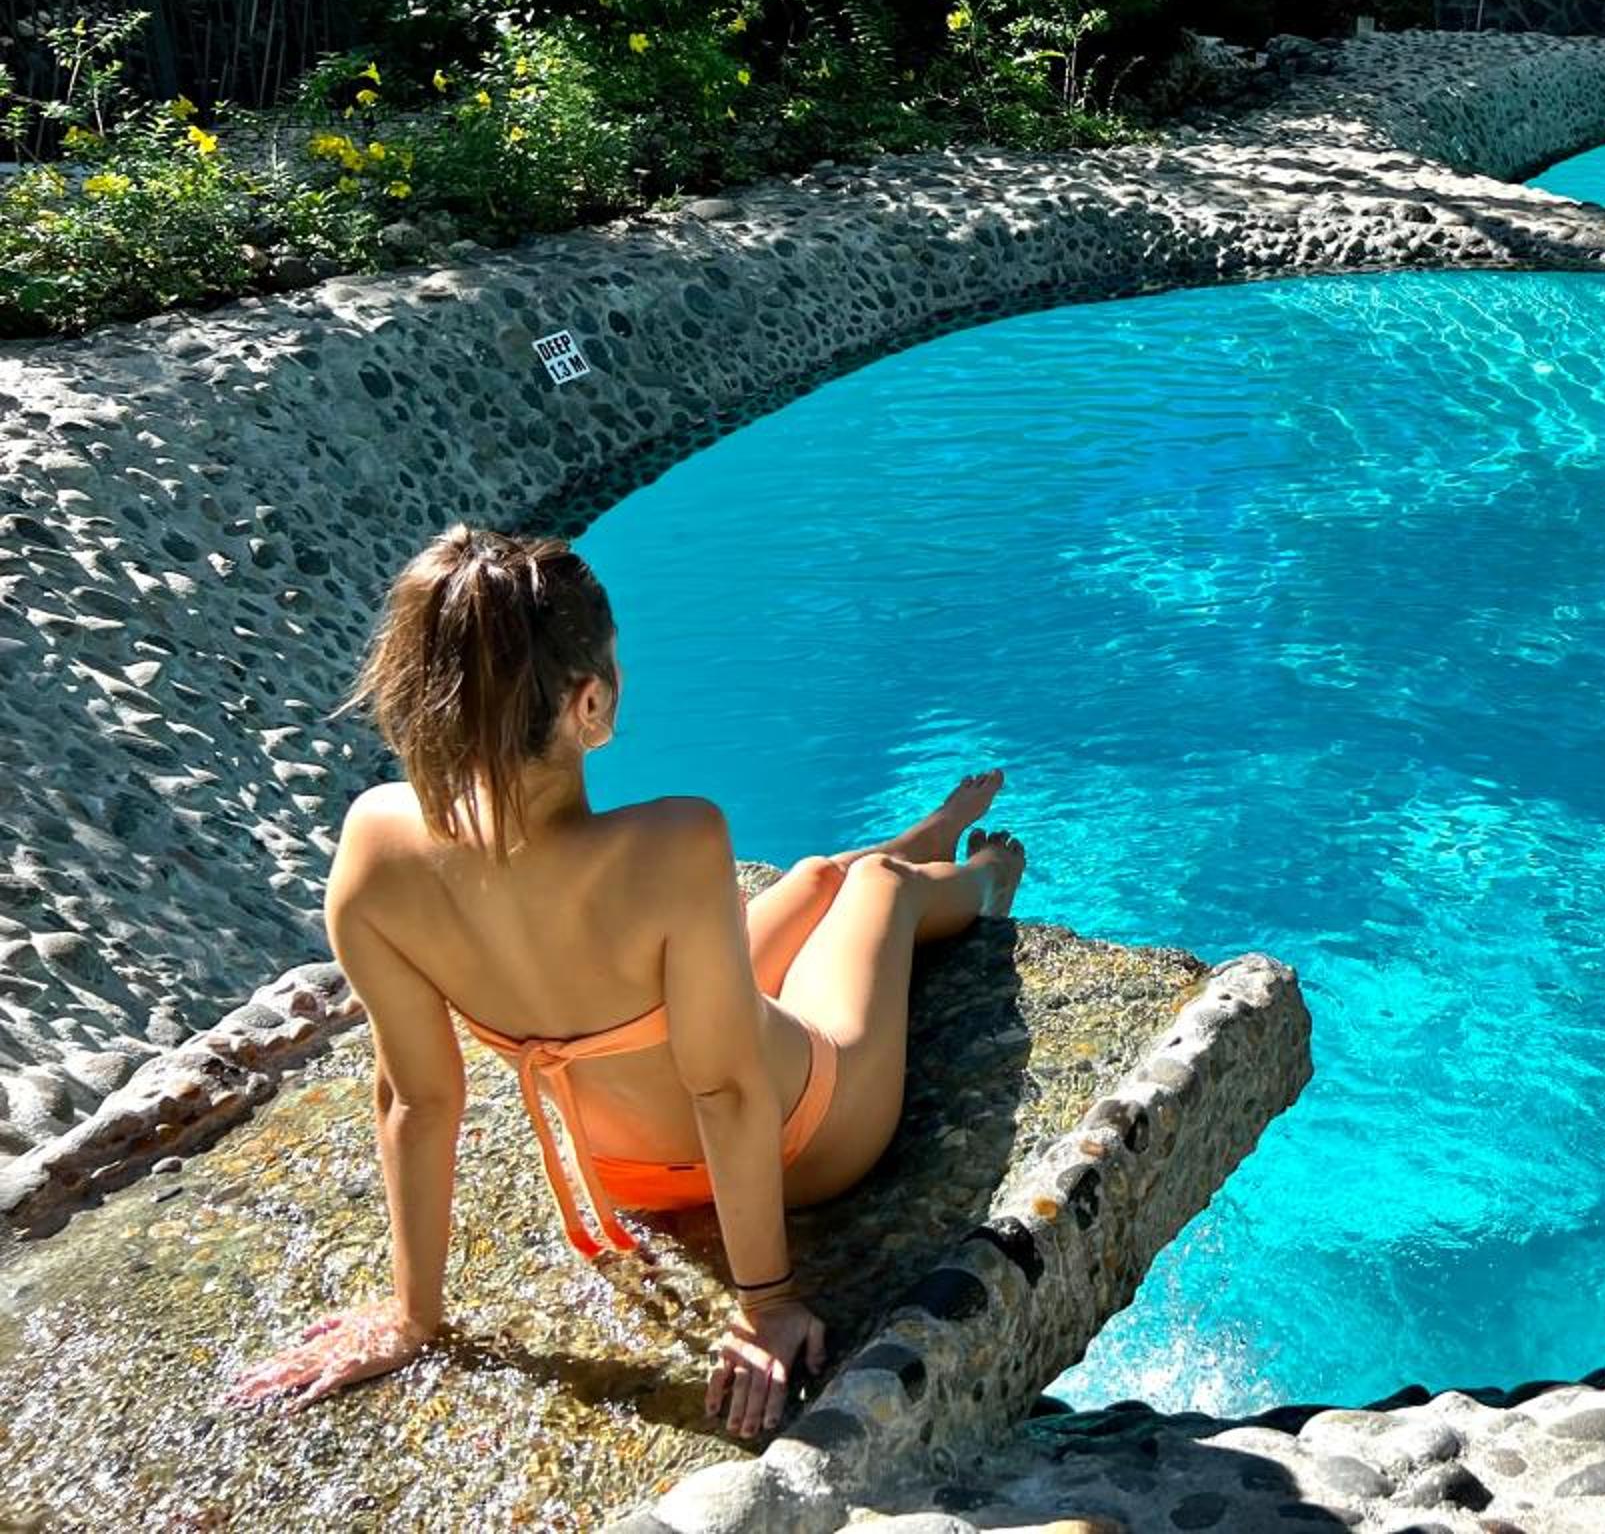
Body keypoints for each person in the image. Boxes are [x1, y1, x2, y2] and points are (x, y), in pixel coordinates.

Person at [225, 525, 1023, 1439]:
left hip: (626, 1173)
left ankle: (918, 838)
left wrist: (413, 1318)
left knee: (808, 881)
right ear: (591, 701)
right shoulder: (673, 842)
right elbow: (727, 1090)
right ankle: (978, 879)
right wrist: (766, 1301)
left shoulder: (374, 844)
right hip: (803, 1140)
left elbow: (417, 1099)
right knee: (874, 887)